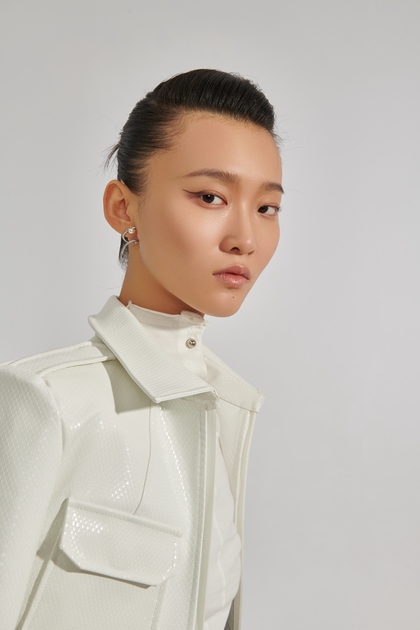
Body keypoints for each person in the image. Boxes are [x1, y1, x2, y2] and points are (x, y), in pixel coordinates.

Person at [0, 69, 283, 630]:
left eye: (266, 208)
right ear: (123, 208)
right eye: (210, 197)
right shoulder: (48, 401)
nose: (245, 238)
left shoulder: (224, 407)